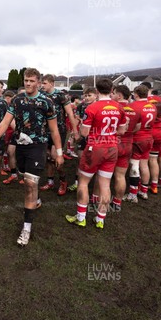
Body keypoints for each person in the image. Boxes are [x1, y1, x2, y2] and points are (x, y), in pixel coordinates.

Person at [0, 68, 63, 246]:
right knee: (24, 175)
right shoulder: (17, 100)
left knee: (30, 184)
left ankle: (26, 228)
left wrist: (59, 152)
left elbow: (54, 129)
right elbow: (5, 122)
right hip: (20, 144)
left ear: (38, 82)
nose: (28, 83)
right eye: (26, 80)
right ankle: (36, 199)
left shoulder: (47, 102)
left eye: (31, 80)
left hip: (38, 146)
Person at [65, 78, 126, 229]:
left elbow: (84, 132)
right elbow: (122, 130)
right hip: (112, 147)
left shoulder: (92, 108)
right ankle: (100, 219)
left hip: (95, 147)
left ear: (97, 91)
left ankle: (81, 217)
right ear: (112, 90)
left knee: (84, 182)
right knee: (105, 184)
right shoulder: (119, 107)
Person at [39, 74, 79, 196]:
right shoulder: (42, 95)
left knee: (56, 157)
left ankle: (63, 181)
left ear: (51, 83)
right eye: (42, 83)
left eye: (44, 83)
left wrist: (75, 131)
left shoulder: (61, 95)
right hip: (44, 131)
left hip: (59, 130)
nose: (42, 85)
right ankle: (50, 181)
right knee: (48, 158)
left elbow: (70, 114)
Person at [124, 85, 156, 203]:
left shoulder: (133, 106)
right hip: (149, 137)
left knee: (134, 165)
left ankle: (133, 194)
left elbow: (132, 125)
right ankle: (144, 191)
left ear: (136, 94)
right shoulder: (152, 106)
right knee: (144, 164)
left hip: (138, 138)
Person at [110, 84, 138, 212]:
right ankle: (117, 202)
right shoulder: (135, 109)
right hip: (127, 143)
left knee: (104, 176)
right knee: (120, 175)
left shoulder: (113, 108)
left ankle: (99, 199)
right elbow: (137, 127)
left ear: (119, 95)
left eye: (114, 93)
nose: (111, 95)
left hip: (113, 143)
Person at [68, 87, 97, 192]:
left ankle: (94, 184)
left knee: (94, 160)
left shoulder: (98, 106)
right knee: (80, 159)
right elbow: (76, 119)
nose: (87, 98)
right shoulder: (81, 106)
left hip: (96, 138)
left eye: (89, 95)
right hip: (83, 136)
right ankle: (77, 182)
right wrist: (74, 131)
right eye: (85, 95)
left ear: (96, 95)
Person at [143, 82, 161, 195]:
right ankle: (155, 185)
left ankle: (142, 187)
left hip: (147, 132)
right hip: (159, 131)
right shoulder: (160, 100)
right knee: (154, 159)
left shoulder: (143, 100)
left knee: (144, 162)